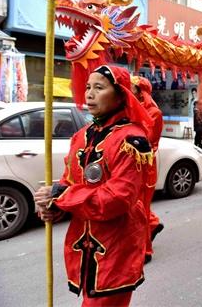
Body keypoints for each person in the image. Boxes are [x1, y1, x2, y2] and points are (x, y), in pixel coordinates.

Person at [34, 65, 153, 307]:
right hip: (84, 247)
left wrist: (62, 195)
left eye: (99, 88)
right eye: (88, 87)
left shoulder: (132, 140)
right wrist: (54, 207)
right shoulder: (80, 136)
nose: (89, 94)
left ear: (120, 95)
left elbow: (118, 199)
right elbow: (70, 181)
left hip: (117, 247)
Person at [131, 76, 165, 263]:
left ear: (140, 91)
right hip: (131, 164)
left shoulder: (154, 113)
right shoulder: (131, 108)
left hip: (145, 166)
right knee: (137, 207)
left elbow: (145, 139)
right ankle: (152, 224)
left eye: (132, 88)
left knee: (140, 208)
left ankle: (146, 251)